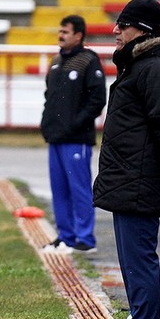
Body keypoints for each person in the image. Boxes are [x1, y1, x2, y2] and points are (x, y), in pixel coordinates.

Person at [93, 0, 160, 319]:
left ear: (142, 30)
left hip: (138, 179)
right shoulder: (140, 65)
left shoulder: (152, 68)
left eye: (123, 25)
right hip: (129, 178)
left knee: (140, 263)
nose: (115, 30)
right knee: (132, 264)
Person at [40, 15, 107, 255]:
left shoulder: (88, 61)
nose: (60, 35)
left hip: (76, 139)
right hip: (56, 138)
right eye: (60, 31)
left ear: (78, 36)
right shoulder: (57, 61)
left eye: (65, 32)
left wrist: (75, 125)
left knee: (78, 189)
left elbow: (97, 99)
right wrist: (46, 125)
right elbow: (50, 97)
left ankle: (85, 239)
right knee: (59, 189)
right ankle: (65, 237)